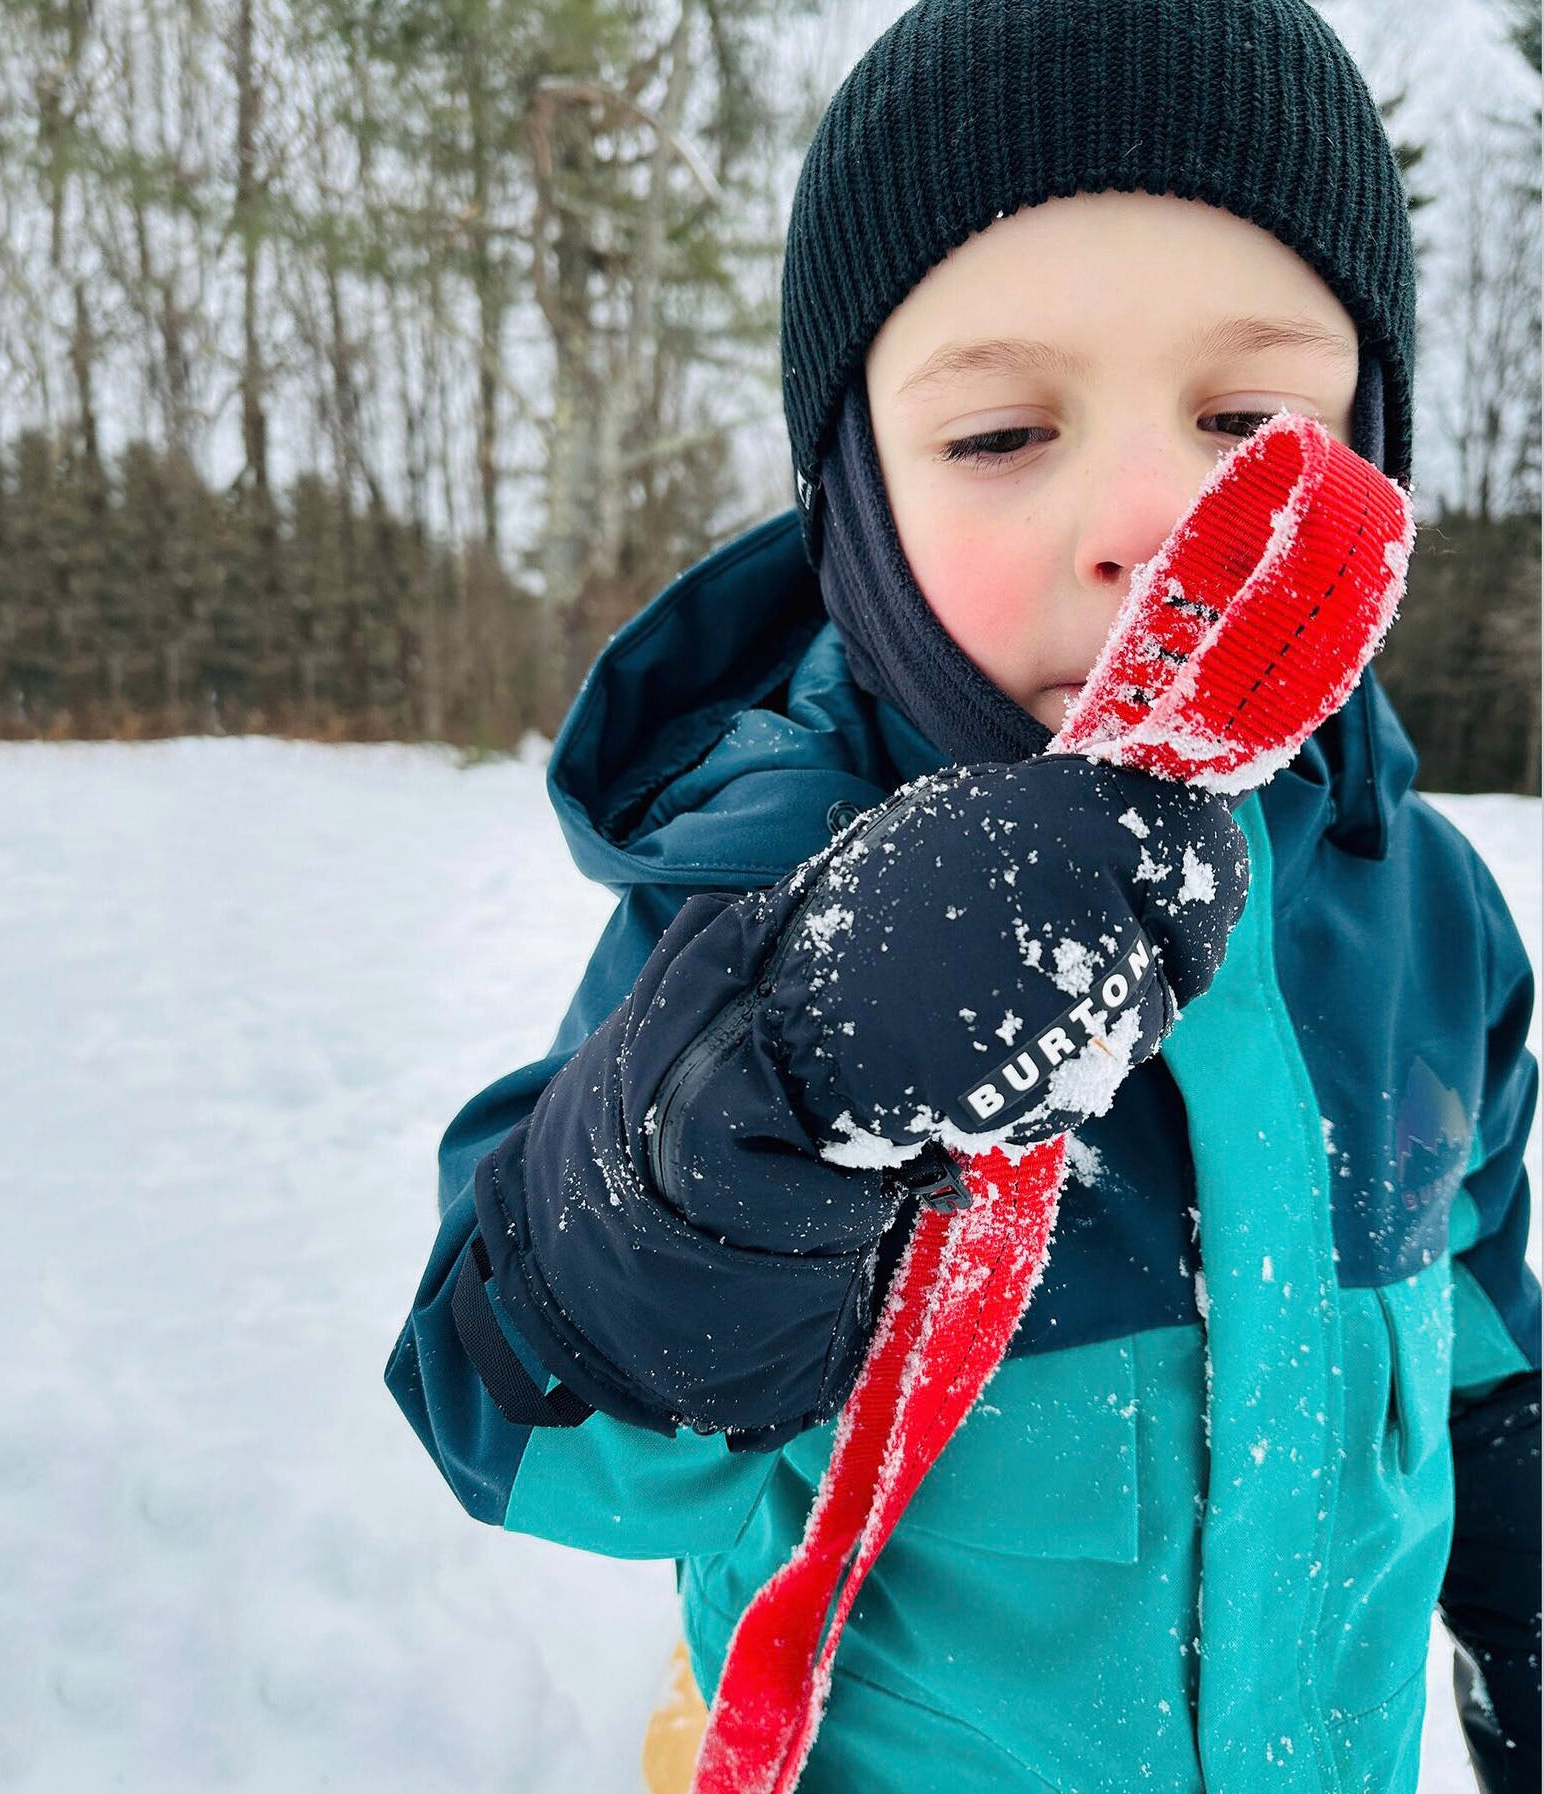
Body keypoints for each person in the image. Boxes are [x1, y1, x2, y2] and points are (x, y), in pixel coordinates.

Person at [385, 2, 1542, 1788]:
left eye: (1245, 414)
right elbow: (520, 1413)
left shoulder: (1422, 913)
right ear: (855, 502)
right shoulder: (766, 911)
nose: (1150, 514)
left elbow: (1475, 1335)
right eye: (1003, 432)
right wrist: (778, 1076)